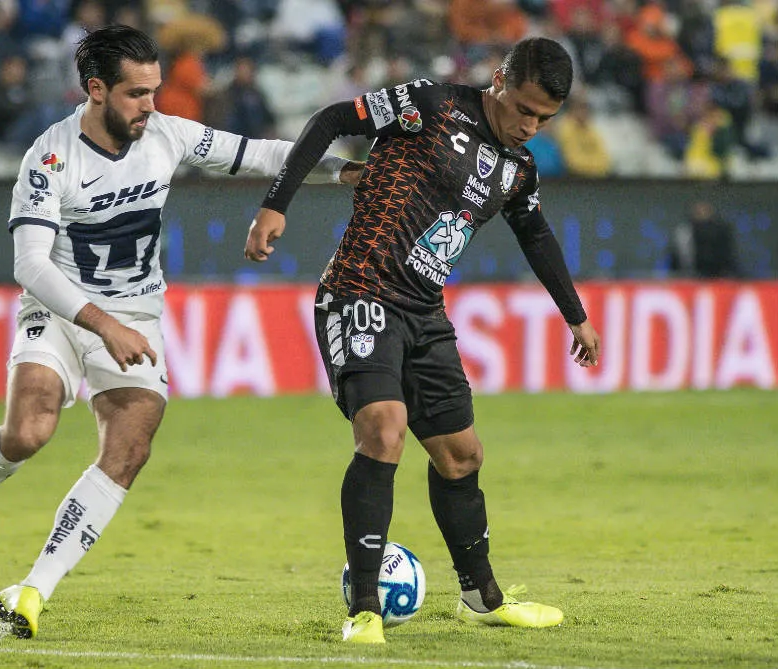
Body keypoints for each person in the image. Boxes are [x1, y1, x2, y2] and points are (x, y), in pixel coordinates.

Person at [0, 24, 360, 640]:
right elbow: (30, 265)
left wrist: (340, 171)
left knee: (129, 446)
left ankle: (32, 590)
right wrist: (102, 324)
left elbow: (259, 153)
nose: (150, 106)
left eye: (154, 91)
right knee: (28, 432)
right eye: (136, 94)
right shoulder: (49, 158)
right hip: (61, 309)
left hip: (137, 313)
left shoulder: (166, 135)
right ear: (96, 90)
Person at [244, 37, 601, 644]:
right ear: (499, 81)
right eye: (523, 109)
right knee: (383, 427)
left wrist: (576, 315)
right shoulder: (430, 106)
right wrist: (275, 205)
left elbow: (535, 235)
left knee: (462, 455)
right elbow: (332, 119)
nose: (530, 126)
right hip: (359, 289)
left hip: (424, 312)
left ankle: (481, 597)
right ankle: (363, 611)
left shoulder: (519, 169)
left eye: (544, 118)